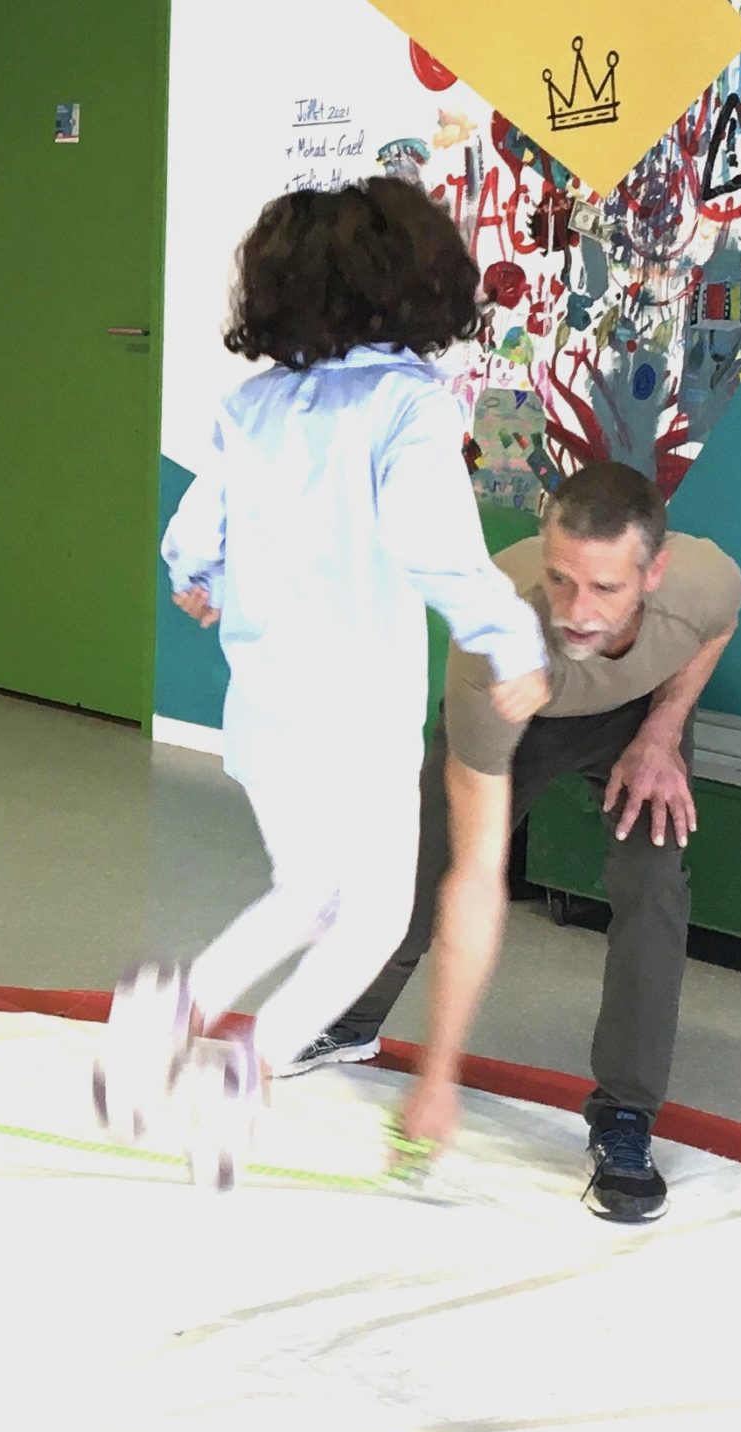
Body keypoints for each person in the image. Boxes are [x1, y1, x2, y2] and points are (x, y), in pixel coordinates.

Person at [98, 177, 551, 1161]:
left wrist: (200, 577)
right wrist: (513, 640)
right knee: (373, 917)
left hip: (264, 706)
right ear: (418, 283)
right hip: (359, 714)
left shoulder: (254, 403)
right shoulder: (408, 403)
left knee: (306, 889)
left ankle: (175, 1009)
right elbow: (431, 544)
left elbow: (195, 530)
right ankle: (249, 1062)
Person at [294, 460, 741, 1222]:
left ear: (654, 573)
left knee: (654, 885)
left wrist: (663, 731)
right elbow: (477, 878)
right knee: (430, 868)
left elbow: (719, 626)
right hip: (520, 709)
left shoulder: (705, 582)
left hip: (636, 723)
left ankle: (626, 1114)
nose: (578, 611)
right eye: (561, 579)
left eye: (605, 588)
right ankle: (351, 1020)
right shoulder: (492, 634)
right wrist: (437, 1073)